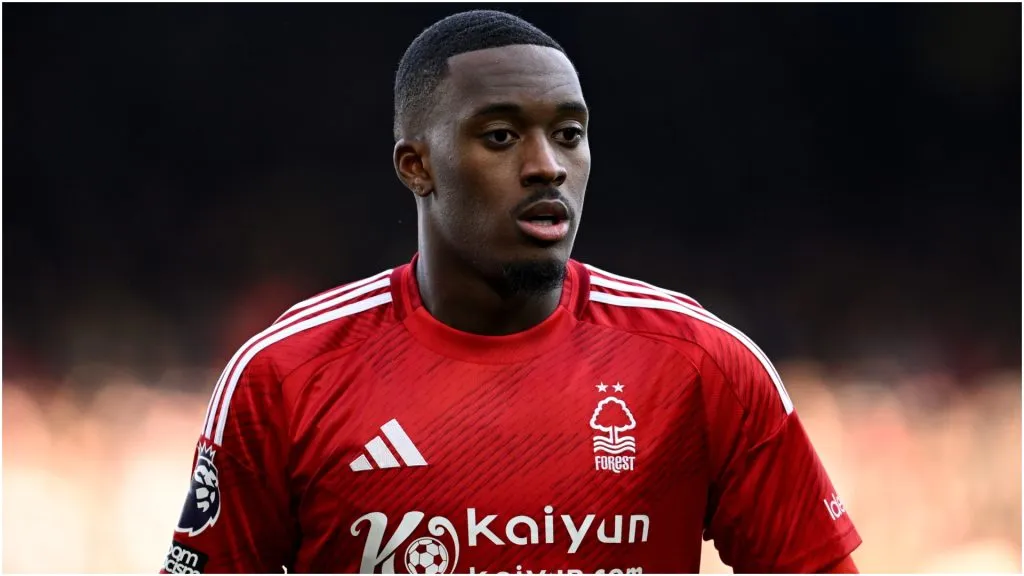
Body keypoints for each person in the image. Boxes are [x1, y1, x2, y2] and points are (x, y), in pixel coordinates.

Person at [162, 10, 861, 574]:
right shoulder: (285, 376)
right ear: (416, 165)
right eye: (501, 136)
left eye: (569, 134)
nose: (547, 166)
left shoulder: (703, 367)